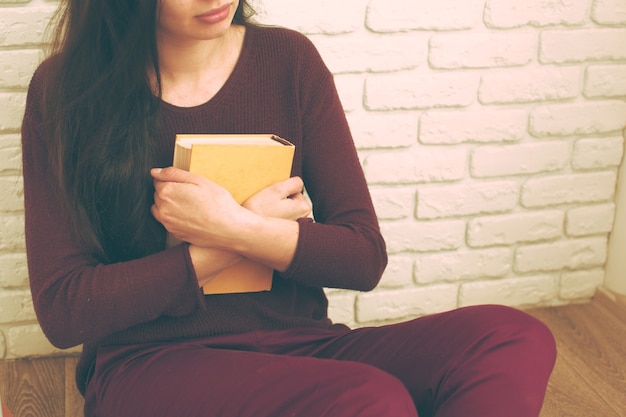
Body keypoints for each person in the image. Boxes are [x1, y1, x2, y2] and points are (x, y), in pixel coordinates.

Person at [21, 1, 557, 416]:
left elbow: (364, 257)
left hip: (304, 347)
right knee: (369, 401)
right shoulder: (65, 93)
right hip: (146, 364)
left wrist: (238, 227)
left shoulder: (288, 60)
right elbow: (66, 312)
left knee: (514, 338)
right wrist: (215, 246)